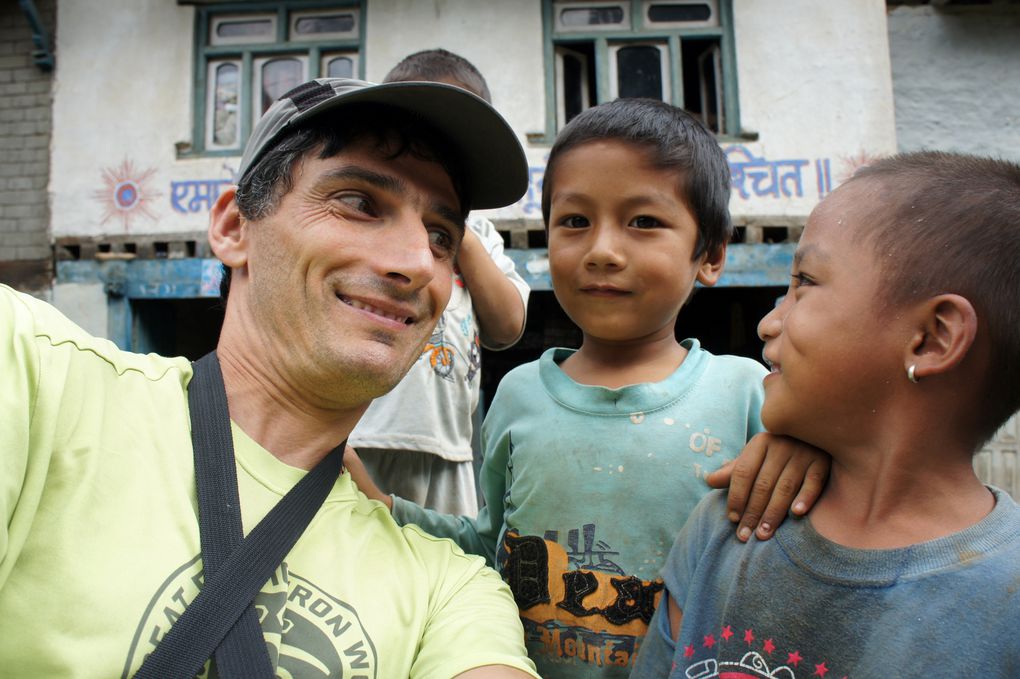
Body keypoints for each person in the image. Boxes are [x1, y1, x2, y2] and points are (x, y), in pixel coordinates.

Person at [0, 78, 541, 678]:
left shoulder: (450, 587)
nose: (417, 263)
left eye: (441, 237)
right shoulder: (36, 379)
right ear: (235, 228)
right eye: (360, 203)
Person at [348, 98, 830, 678]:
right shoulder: (520, 394)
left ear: (711, 254)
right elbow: (488, 546)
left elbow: (817, 532)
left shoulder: (748, 394)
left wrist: (811, 450)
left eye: (644, 222)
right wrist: (383, 506)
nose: (602, 251)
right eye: (575, 222)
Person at [630, 151, 1020, 678]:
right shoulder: (729, 526)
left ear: (931, 339)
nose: (769, 324)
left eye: (805, 282)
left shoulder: (1006, 600)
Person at [349, 49, 530, 515]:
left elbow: (506, 326)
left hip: (450, 450)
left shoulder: (480, 238)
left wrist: (457, 230)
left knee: (445, 562)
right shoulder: (369, 213)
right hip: (361, 436)